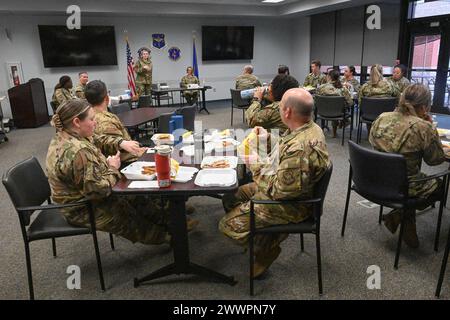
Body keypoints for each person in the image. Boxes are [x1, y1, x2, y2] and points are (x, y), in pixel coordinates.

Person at [220, 88, 330, 278]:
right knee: (232, 196)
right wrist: (267, 139)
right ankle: (265, 235)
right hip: (290, 189)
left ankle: (266, 248)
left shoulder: (300, 148)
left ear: (287, 112)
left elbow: (279, 191)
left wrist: (253, 161)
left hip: (291, 204)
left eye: (280, 107)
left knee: (226, 225)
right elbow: (286, 150)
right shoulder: (308, 127)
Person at [46, 99, 170, 245]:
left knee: (135, 196)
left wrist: (120, 142)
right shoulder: (78, 151)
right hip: (81, 208)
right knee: (124, 211)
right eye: (92, 119)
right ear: (77, 122)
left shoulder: (66, 135)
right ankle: (167, 237)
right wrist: (113, 168)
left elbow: (97, 139)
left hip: (84, 195)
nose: (95, 123)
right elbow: (98, 190)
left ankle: (168, 222)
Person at [369, 84, 445, 248]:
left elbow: (373, 143)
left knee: (408, 177)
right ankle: (400, 216)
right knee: (440, 185)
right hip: (404, 187)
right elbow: (436, 159)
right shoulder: (422, 127)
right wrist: (431, 128)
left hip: (375, 180)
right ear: (425, 107)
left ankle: (402, 218)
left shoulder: (382, 117)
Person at [84, 80, 146, 165]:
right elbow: (118, 151)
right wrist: (140, 152)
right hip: (126, 164)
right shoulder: (106, 120)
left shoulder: (86, 119)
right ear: (107, 98)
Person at [316, 69, 354, 138]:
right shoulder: (343, 89)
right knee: (338, 107)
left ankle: (336, 129)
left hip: (323, 112)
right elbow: (350, 103)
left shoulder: (320, 88)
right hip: (337, 113)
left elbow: (316, 100)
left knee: (333, 106)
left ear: (329, 77)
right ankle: (344, 121)